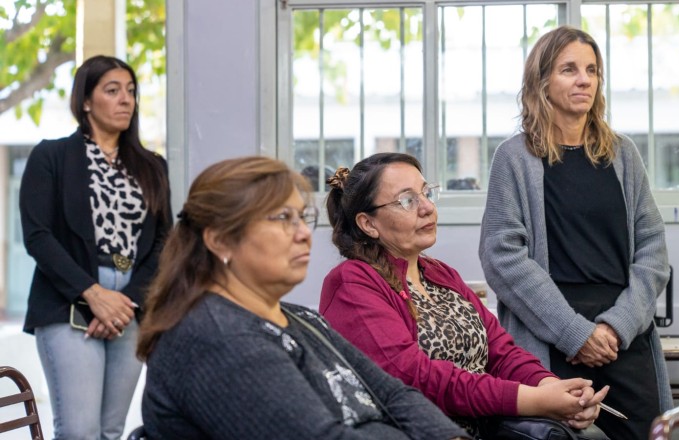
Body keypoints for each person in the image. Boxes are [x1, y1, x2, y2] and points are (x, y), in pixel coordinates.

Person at [136, 156, 469, 440]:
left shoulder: (301, 318)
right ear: (220, 241)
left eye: (302, 217)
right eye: (283, 218)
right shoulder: (216, 336)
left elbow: (392, 393)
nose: (302, 234)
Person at [320, 152, 607, 437]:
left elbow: (502, 353)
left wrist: (552, 387)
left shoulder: (440, 273)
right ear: (368, 224)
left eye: (426, 193)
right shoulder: (352, 283)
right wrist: (533, 400)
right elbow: (413, 378)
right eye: (407, 201)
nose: (427, 208)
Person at [478, 25, 672, 440]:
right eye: (569, 69)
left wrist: (615, 327)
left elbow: (653, 251)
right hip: (549, 331)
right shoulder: (514, 158)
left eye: (592, 70)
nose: (584, 79)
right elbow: (502, 256)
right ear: (542, 81)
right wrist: (575, 333)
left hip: (623, 334)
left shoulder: (622, 153)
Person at [19, 55, 171, 439]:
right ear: (86, 101)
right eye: (112, 90)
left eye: (131, 91)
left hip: (131, 305)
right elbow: (38, 235)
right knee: (79, 431)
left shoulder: (153, 166)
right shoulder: (51, 157)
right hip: (68, 300)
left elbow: (163, 242)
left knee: (110, 431)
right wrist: (94, 295)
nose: (126, 100)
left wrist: (125, 301)